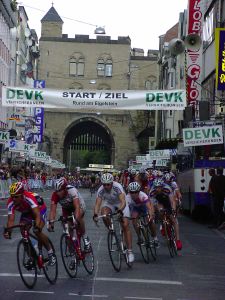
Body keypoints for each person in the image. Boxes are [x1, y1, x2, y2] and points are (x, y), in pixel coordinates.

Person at [3, 182, 56, 265]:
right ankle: (32, 257)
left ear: (22, 195)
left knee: (37, 231)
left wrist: (37, 226)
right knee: (23, 230)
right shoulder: (11, 202)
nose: (13, 199)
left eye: (16, 197)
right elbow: (11, 220)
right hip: (27, 212)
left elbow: (37, 215)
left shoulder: (29, 198)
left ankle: (51, 253)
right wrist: (8, 232)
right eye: (12, 196)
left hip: (39, 209)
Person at [93, 173, 134, 263]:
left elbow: (123, 201)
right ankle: (113, 232)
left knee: (125, 225)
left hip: (121, 203)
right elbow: (98, 203)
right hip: (109, 203)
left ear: (112, 183)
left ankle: (130, 251)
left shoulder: (117, 186)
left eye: (108, 184)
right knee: (104, 214)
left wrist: (120, 211)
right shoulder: (101, 190)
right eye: (104, 184)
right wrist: (95, 214)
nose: (106, 186)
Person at [48, 177, 90, 253]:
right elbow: (52, 210)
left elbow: (77, 207)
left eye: (60, 190)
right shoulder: (55, 195)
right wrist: (51, 222)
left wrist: (76, 220)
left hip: (78, 205)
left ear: (65, 189)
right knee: (67, 230)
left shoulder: (72, 191)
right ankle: (74, 253)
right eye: (56, 191)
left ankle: (85, 237)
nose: (58, 193)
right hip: (67, 209)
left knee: (78, 218)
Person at [149, 178, 182, 251]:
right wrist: (152, 213)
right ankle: (163, 225)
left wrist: (173, 209)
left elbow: (172, 201)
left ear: (162, 186)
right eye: (156, 187)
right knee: (160, 211)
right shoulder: (152, 191)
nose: (158, 189)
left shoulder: (167, 188)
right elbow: (152, 204)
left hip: (167, 200)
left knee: (173, 220)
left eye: (159, 187)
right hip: (159, 201)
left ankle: (178, 240)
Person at [126, 182, 159, 248]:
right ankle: (139, 237)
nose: (134, 194)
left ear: (139, 191)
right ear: (129, 192)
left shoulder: (143, 195)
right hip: (135, 208)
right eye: (132, 192)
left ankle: (155, 238)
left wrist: (150, 214)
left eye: (136, 192)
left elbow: (149, 207)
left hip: (144, 207)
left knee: (150, 220)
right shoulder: (127, 197)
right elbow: (126, 209)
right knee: (134, 219)